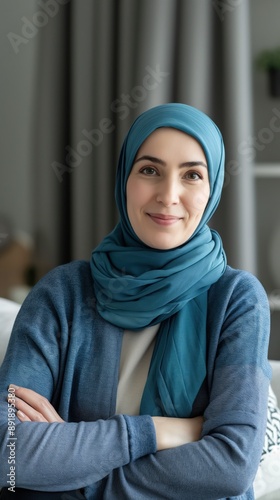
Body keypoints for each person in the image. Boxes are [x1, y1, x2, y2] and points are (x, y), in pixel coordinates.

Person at [0, 103, 271, 499]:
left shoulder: (236, 300)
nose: (168, 195)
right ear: (124, 178)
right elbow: (9, 453)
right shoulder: (63, 293)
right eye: (150, 170)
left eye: (192, 175)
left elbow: (230, 467)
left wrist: (72, 473)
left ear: (211, 190)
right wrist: (155, 431)